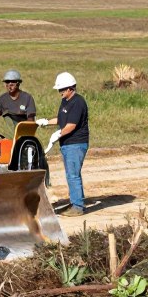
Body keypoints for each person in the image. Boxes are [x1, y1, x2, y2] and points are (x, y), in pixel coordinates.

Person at [43, 72, 89, 217]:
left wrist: (58, 134)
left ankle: (78, 207)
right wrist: (45, 122)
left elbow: (71, 125)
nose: (59, 92)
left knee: (73, 175)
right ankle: (75, 201)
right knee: (71, 174)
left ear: (70, 88)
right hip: (68, 144)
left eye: (61, 89)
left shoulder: (78, 102)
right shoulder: (66, 101)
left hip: (76, 143)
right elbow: (62, 118)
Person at [0, 69, 37, 133]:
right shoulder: (3, 98)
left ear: (18, 83)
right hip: (7, 130)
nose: (10, 84)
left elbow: (31, 120)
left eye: (13, 82)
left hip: (22, 129)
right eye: (7, 82)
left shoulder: (27, 98)